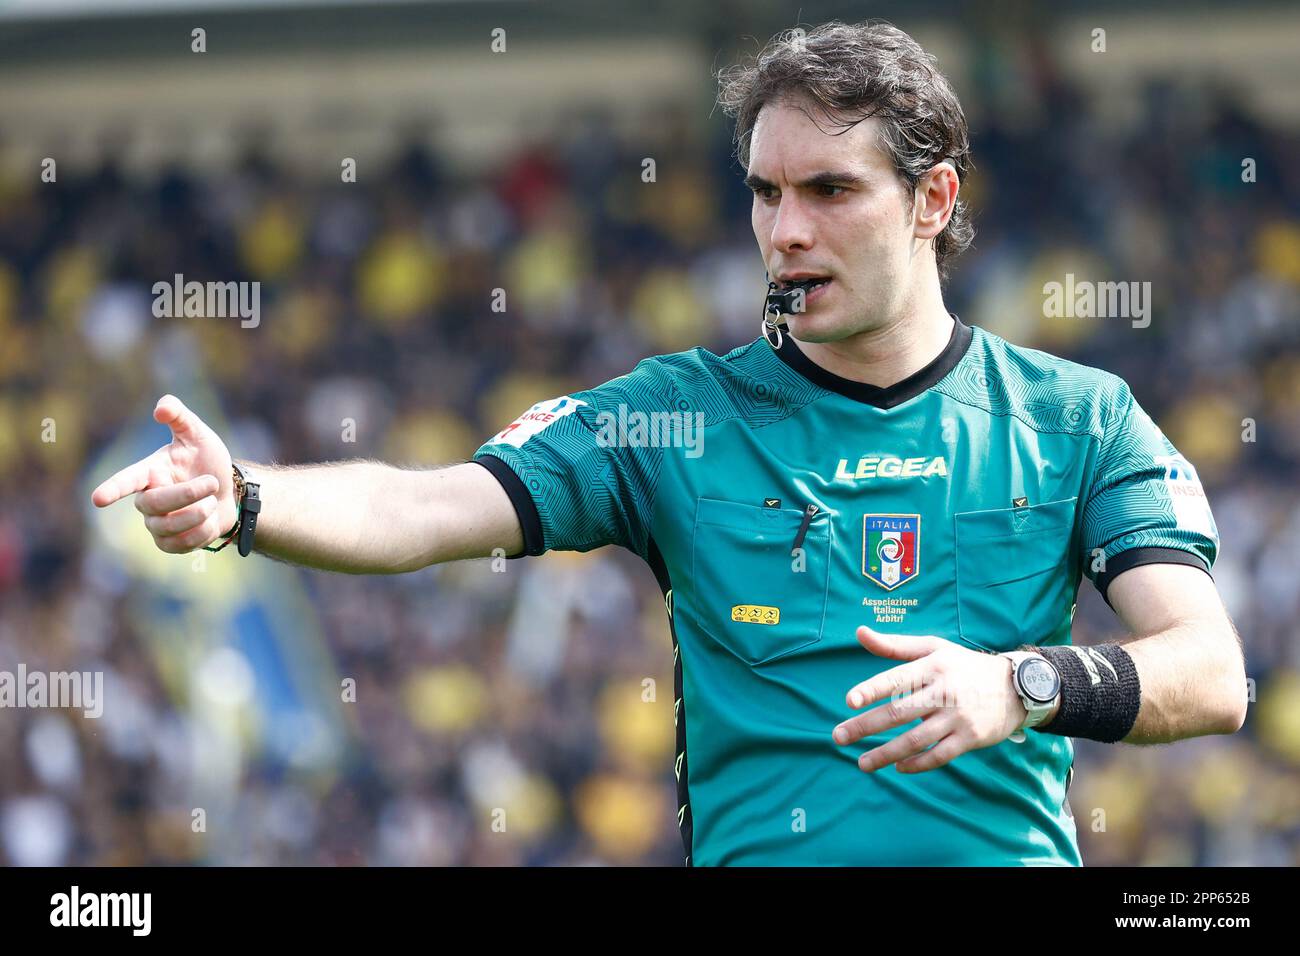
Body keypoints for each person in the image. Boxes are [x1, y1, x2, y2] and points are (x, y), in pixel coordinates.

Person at [91, 20, 1246, 866]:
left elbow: (1209, 669)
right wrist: (246, 496)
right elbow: (428, 507)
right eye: (764, 193)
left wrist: (1024, 682)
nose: (785, 231)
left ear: (932, 201)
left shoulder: (1074, 417)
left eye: (831, 191)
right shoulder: (676, 415)